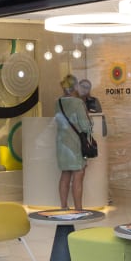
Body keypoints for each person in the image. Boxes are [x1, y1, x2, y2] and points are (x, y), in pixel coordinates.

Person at [55, 74, 92, 210]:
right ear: (75, 86)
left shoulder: (58, 102)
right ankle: (78, 209)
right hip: (75, 145)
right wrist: (89, 120)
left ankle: (64, 207)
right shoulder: (78, 103)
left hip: (61, 144)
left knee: (65, 175)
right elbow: (85, 126)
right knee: (78, 176)